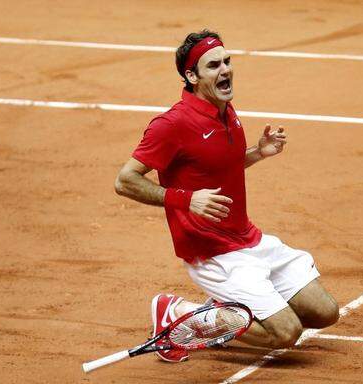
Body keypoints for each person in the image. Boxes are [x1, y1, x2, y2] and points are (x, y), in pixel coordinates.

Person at [114, 30, 339, 363]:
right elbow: (125, 180)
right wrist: (185, 199)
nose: (225, 70)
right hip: (214, 255)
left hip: (248, 239)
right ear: (192, 76)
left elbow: (216, 166)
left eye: (227, 61)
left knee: (325, 313)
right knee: (285, 333)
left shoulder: (225, 110)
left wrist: (257, 153)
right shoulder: (172, 124)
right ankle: (182, 314)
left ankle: (225, 308)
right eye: (213, 65)